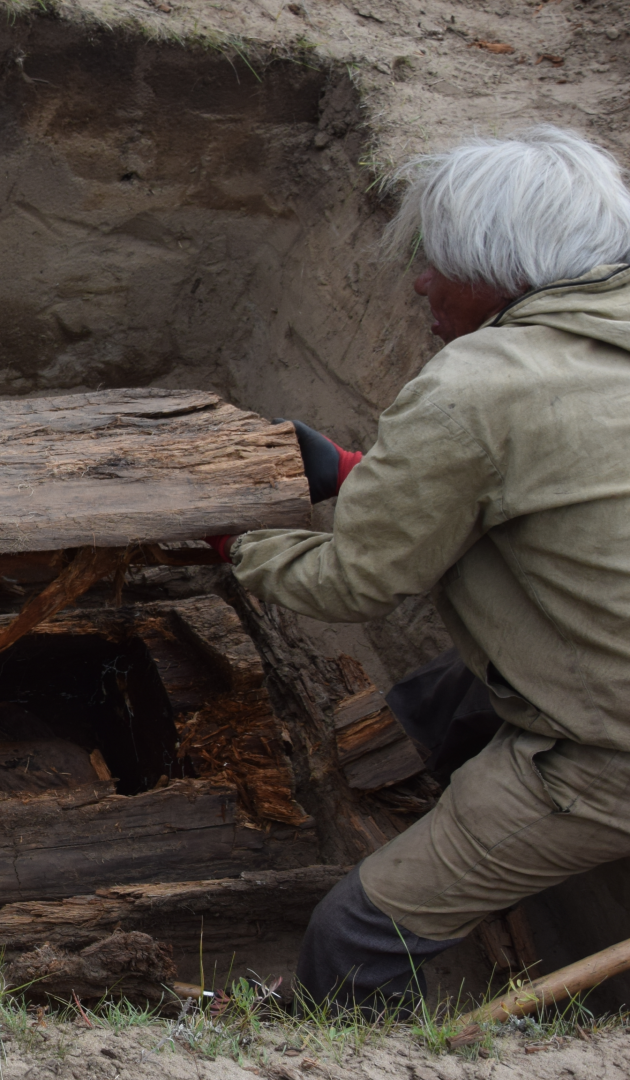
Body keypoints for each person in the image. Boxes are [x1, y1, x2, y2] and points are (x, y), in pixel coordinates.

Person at [211, 126, 630, 1011]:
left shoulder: (478, 385)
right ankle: (391, 786)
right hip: (606, 660)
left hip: (606, 751)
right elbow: (555, 490)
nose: (420, 281)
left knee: (355, 932)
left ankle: (357, 1046)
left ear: (504, 270)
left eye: (439, 261)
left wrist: (238, 541)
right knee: (439, 697)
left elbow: (355, 584)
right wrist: (365, 475)